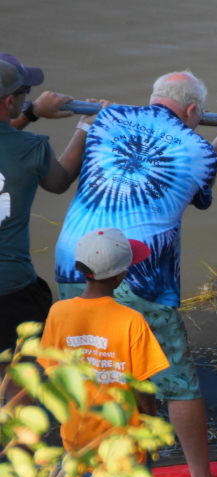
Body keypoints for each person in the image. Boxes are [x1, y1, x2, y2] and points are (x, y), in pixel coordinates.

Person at [53, 71, 217, 477]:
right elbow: (199, 195)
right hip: (139, 274)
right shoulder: (199, 148)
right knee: (177, 380)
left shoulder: (107, 118)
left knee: (95, 362)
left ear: (154, 97)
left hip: (74, 259)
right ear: (195, 111)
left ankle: (92, 464)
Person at [40, 228, 172, 477]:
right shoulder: (131, 321)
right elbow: (144, 391)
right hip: (122, 443)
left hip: (76, 438)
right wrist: (150, 428)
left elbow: (51, 374)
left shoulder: (58, 313)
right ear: (119, 277)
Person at [0, 56, 103, 402]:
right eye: (24, 93)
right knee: (20, 378)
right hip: (11, 288)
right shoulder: (32, 148)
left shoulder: (23, 132)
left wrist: (30, 113)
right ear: (9, 101)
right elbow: (58, 182)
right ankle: (13, 448)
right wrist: (86, 126)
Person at [0, 53, 77, 132]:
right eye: (26, 89)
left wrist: (31, 114)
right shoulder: (36, 143)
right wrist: (84, 126)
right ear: (10, 100)